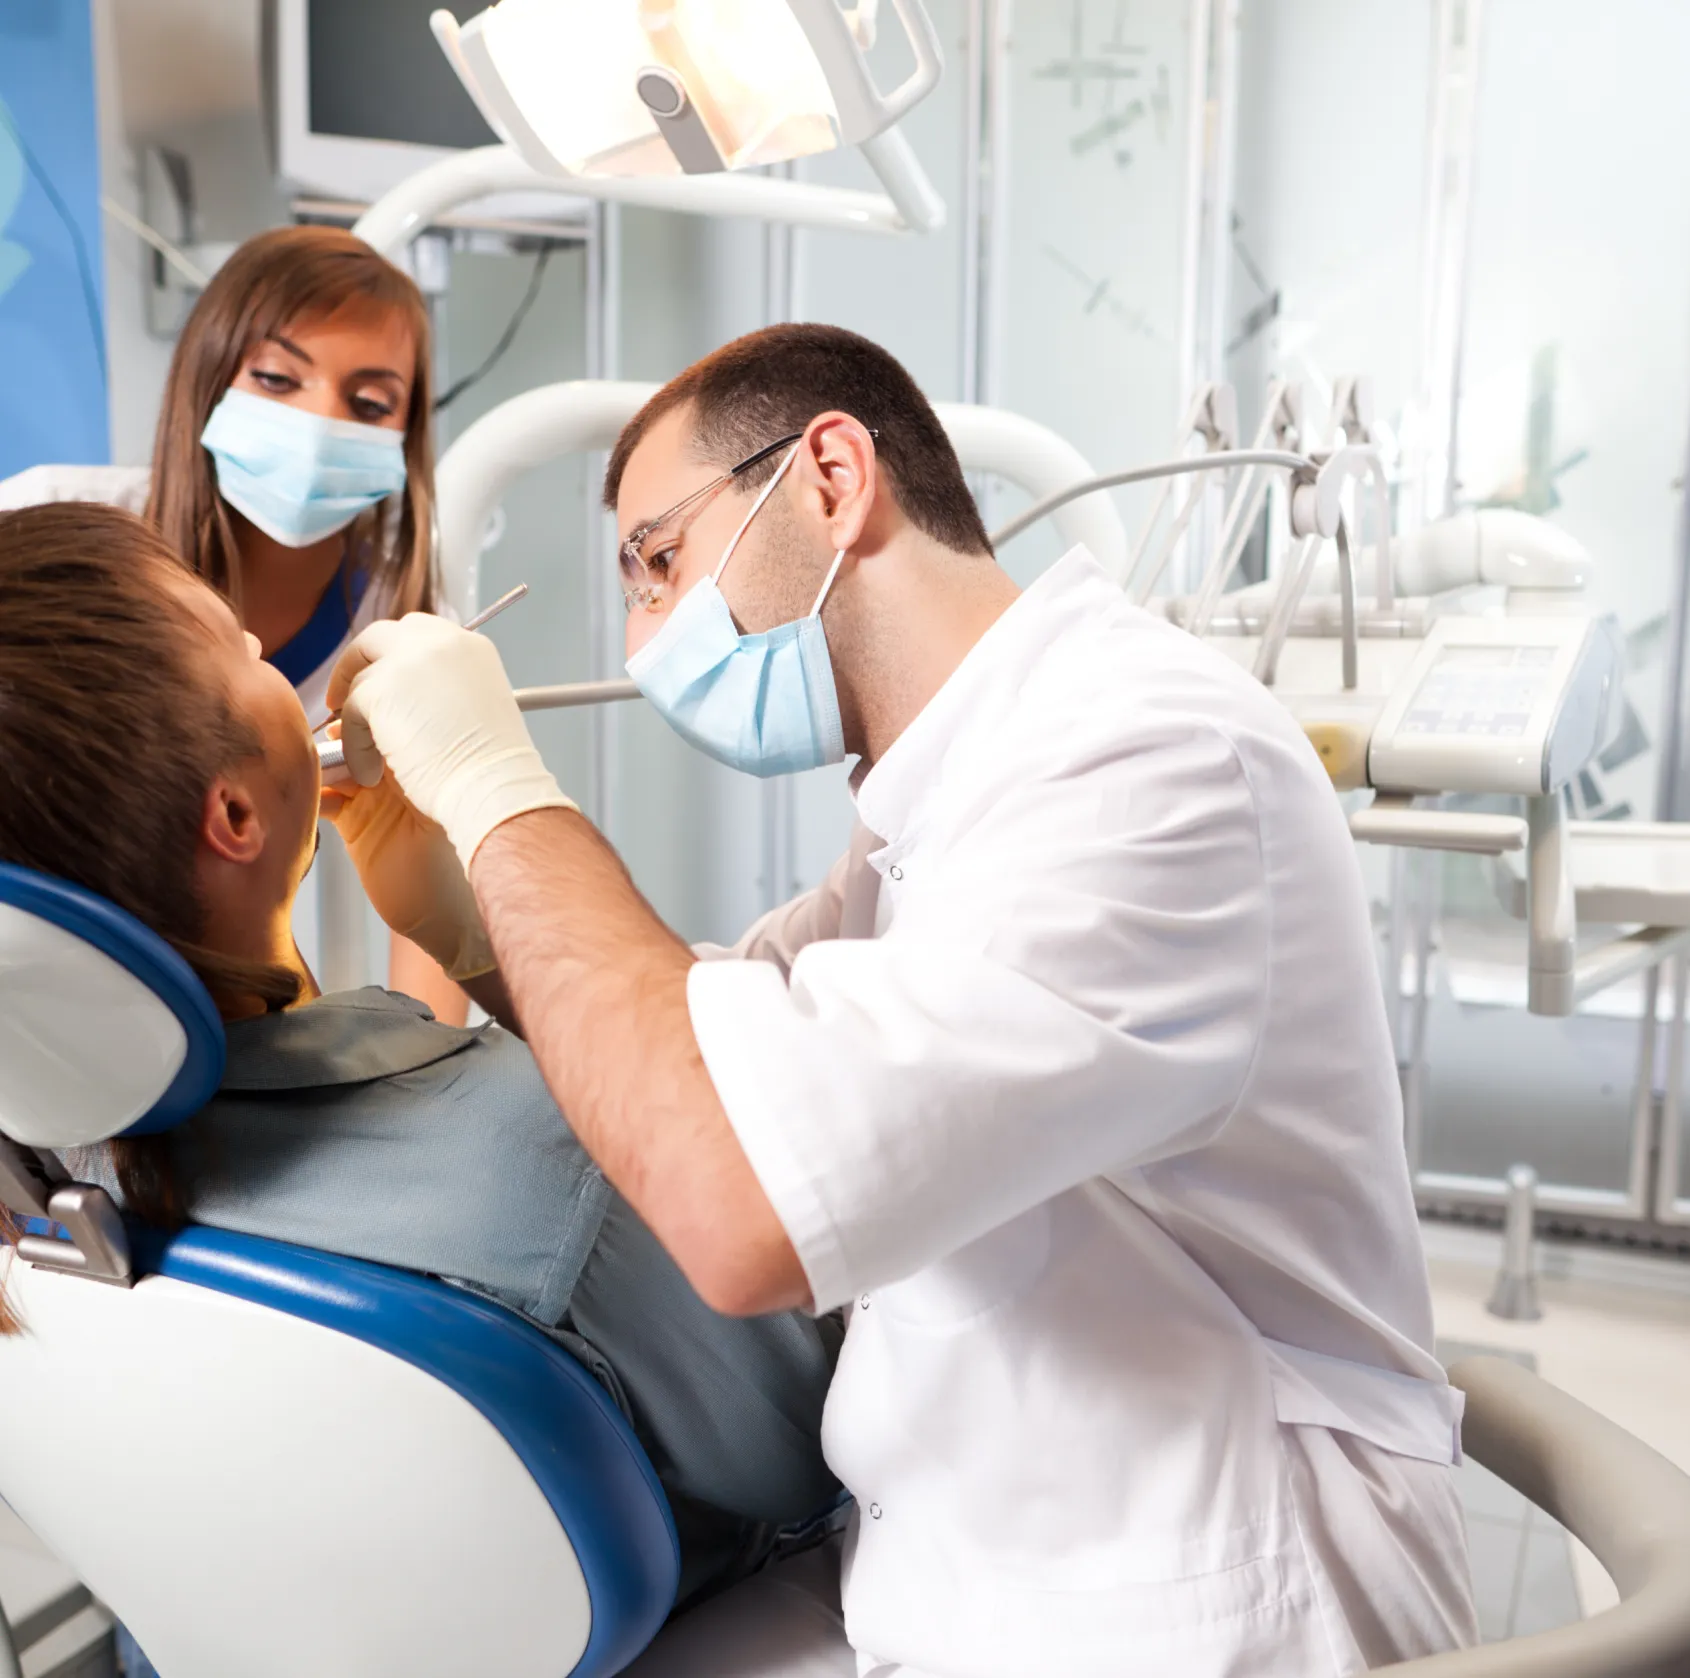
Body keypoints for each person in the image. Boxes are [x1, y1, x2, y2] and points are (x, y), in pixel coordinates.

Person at [328, 323, 1478, 1677]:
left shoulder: (1147, 758)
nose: (646, 641)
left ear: (827, 478)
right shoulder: (940, 801)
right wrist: (475, 935)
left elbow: (733, 1189)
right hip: (961, 1554)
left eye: (657, 563)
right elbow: (710, 1037)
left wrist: (499, 793)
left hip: (1193, 1590)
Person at [0, 502, 844, 1616]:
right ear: (236, 813)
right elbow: (817, 1431)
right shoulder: (549, 1167)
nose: (273, 659)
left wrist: (468, 946)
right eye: (243, 650)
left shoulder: (42, 1194)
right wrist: (506, 883)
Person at [0, 225, 465, 1023]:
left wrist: (416, 1086)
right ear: (209, 377)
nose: (321, 423)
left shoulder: (405, 633)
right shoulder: (50, 529)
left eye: (368, 403)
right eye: (279, 378)